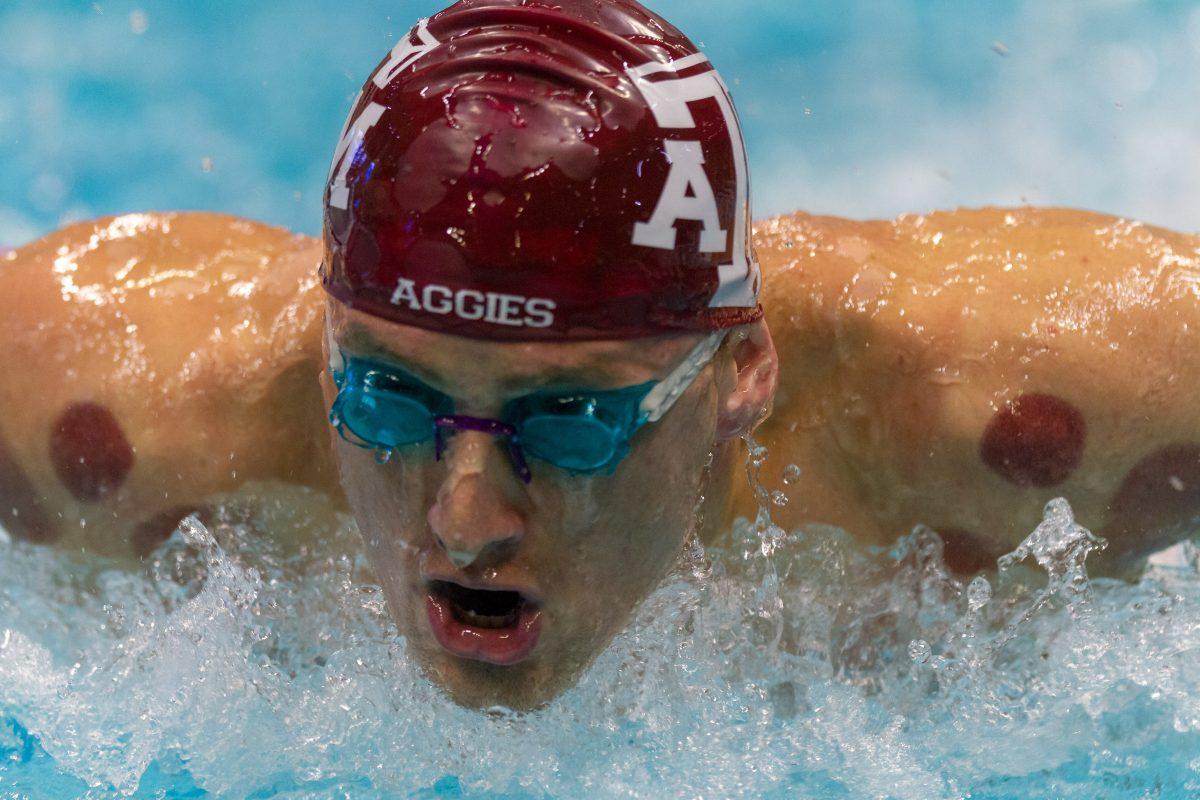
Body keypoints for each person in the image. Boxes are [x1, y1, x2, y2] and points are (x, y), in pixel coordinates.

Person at [1, 0, 1197, 709]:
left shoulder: (1007, 412)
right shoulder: (118, 420)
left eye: (569, 419)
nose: (467, 520)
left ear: (741, 372)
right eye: (388, 398)